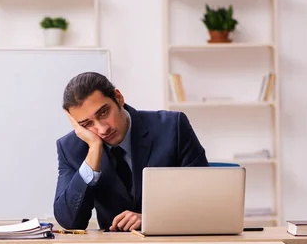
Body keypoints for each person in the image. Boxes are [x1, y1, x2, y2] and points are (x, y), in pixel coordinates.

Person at [53, 72, 209, 232]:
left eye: (104, 112)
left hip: (173, 241)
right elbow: (70, 221)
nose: (102, 129)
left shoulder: (172, 127)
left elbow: (205, 199)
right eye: (87, 124)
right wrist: (94, 149)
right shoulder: (70, 148)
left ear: (118, 98)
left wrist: (150, 219)